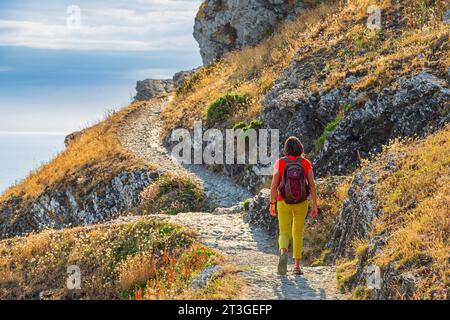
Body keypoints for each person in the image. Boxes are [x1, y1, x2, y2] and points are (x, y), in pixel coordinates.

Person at [270, 136, 318, 275]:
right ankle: (297, 266)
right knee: (297, 232)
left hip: (283, 201)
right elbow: (312, 185)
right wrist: (314, 204)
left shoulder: (280, 162)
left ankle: (283, 253)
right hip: (301, 202)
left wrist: (272, 203)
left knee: (284, 232)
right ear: (300, 148)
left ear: (285, 149)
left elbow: (274, 186)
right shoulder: (305, 163)